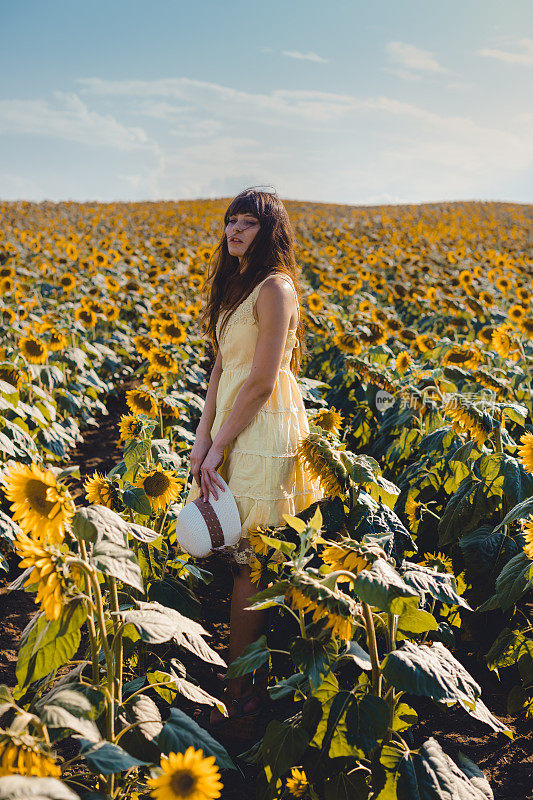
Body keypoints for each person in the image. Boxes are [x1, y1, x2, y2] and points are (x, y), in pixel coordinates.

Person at [183, 186, 323, 735]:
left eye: (248, 223)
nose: (235, 231)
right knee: (238, 552)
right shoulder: (234, 285)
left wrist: (221, 443)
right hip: (229, 426)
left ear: (270, 232)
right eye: (231, 221)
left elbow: (263, 381)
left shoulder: (275, 287)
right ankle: (252, 676)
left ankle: (242, 689)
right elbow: (219, 372)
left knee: (251, 560)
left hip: (263, 428)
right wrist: (202, 440)